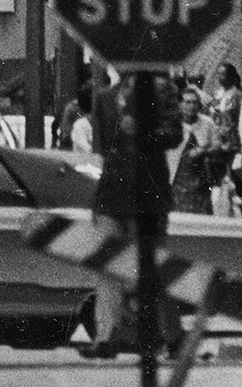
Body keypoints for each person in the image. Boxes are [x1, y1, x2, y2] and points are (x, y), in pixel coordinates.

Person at [81, 74, 183, 360]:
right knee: (106, 265)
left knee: (153, 268)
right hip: (112, 192)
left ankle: (173, 336)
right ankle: (105, 338)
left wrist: (142, 131)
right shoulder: (103, 98)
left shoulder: (162, 89)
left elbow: (174, 134)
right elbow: (101, 148)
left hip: (148, 192)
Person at [170, 86, 219, 214]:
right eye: (187, 102)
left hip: (200, 180)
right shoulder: (172, 123)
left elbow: (217, 145)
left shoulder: (207, 123)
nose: (191, 106)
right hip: (176, 179)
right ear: (180, 104)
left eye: (194, 102)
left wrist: (202, 150)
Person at [209, 63, 242, 215]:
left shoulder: (236, 94)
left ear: (230, 76)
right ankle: (219, 207)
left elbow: (236, 117)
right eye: (218, 74)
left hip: (230, 140)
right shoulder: (218, 92)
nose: (219, 77)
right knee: (217, 173)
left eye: (222, 74)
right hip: (217, 137)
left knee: (230, 175)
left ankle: (234, 209)